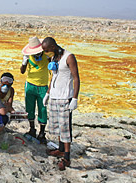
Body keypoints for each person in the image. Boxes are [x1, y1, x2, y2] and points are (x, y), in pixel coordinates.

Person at [42, 37, 80, 171]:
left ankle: (67, 158)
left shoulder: (69, 57)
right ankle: (61, 149)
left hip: (65, 98)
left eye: (46, 50)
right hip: (54, 97)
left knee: (65, 127)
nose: (45, 53)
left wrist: (74, 98)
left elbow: (76, 78)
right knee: (57, 125)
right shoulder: (54, 58)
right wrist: (48, 93)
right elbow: (54, 76)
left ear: (52, 47)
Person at [20, 36, 49, 144]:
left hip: (43, 86)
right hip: (30, 85)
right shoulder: (28, 56)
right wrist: (24, 62)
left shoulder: (47, 56)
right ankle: (32, 129)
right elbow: (22, 71)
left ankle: (42, 133)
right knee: (30, 108)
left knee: (42, 109)